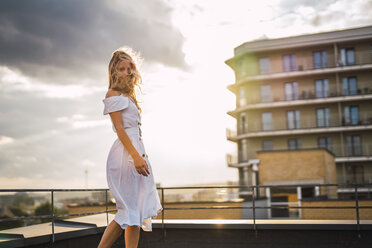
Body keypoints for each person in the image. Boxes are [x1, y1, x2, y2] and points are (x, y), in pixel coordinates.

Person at [98, 47, 162, 248]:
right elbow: (119, 129)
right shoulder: (113, 93)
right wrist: (135, 157)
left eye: (130, 67)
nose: (127, 72)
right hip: (125, 156)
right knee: (127, 210)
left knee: (136, 212)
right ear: (114, 72)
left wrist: (140, 156)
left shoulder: (130, 96)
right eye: (122, 69)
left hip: (137, 154)